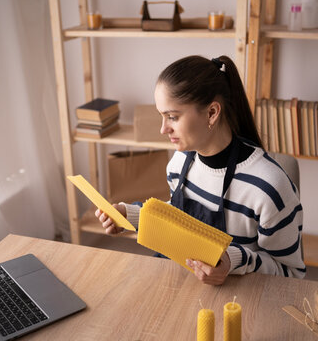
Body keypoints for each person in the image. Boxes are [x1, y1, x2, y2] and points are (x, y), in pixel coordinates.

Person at [96, 55, 305, 285]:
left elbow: (291, 275)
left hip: (236, 301)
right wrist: (129, 216)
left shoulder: (269, 188)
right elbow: (180, 220)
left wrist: (231, 261)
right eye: (162, 116)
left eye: (172, 117)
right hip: (180, 284)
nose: (163, 129)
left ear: (212, 113)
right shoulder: (179, 162)